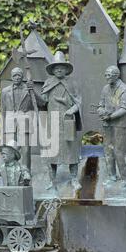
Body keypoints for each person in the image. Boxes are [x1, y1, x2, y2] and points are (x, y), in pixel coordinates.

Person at [39, 51, 83, 191]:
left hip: (68, 123)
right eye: (56, 67)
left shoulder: (72, 83)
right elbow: (43, 101)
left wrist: (72, 110)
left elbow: (79, 102)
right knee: (52, 153)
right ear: (52, 69)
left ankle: (74, 179)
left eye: (61, 67)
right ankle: (52, 181)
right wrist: (33, 92)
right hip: (53, 124)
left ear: (66, 69)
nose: (59, 69)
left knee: (72, 153)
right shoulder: (48, 83)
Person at [1, 67, 42, 171]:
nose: (17, 77)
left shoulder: (28, 90)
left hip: (25, 122)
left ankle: (26, 172)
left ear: (22, 77)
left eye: (19, 75)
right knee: (10, 148)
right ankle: (11, 171)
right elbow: (3, 110)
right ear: (11, 77)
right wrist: (3, 126)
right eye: (14, 75)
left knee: (26, 149)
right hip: (10, 122)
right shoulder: (5, 91)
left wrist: (32, 90)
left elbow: (42, 103)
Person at [97, 65, 126, 187]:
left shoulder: (124, 89)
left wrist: (110, 116)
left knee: (118, 152)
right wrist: (101, 111)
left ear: (116, 75)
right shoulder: (105, 88)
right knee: (107, 151)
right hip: (107, 124)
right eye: (105, 75)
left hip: (118, 125)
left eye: (109, 75)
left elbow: (123, 109)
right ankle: (112, 176)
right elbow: (100, 104)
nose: (107, 77)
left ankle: (125, 179)